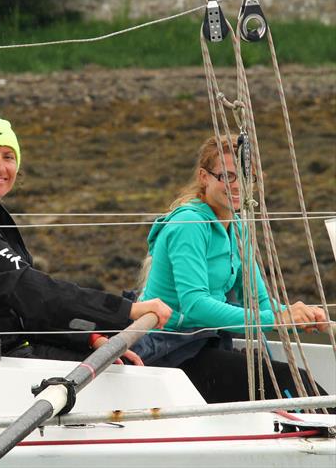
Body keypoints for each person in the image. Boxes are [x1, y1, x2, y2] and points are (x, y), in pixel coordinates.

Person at [0, 112, 171, 363]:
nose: (0, 167)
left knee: (120, 368)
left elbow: (23, 304)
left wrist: (87, 337)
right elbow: (29, 289)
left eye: (8, 156)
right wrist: (125, 311)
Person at [131, 135, 330, 403]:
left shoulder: (237, 225)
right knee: (289, 381)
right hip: (168, 351)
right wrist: (275, 319)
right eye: (228, 176)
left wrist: (294, 315)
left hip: (205, 341)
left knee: (293, 379)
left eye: (247, 178)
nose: (239, 187)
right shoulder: (188, 224)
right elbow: (195, 305)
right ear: (204, 177)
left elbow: (256, 299)